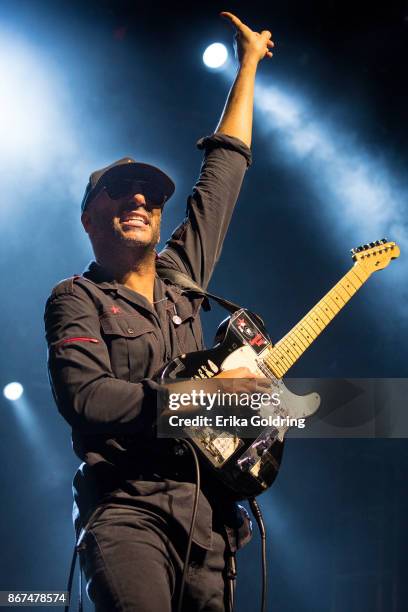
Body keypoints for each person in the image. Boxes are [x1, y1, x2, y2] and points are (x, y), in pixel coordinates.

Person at [44, 12, 274, 612]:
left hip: (212, 520)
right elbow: (87, 398)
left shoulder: (181, 277)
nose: (141, 199)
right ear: (90, 218)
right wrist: (208, 394)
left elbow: (224, 172)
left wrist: (247, 65)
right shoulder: (76, 298)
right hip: (127, 510)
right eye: (121, 193)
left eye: (150, 193)